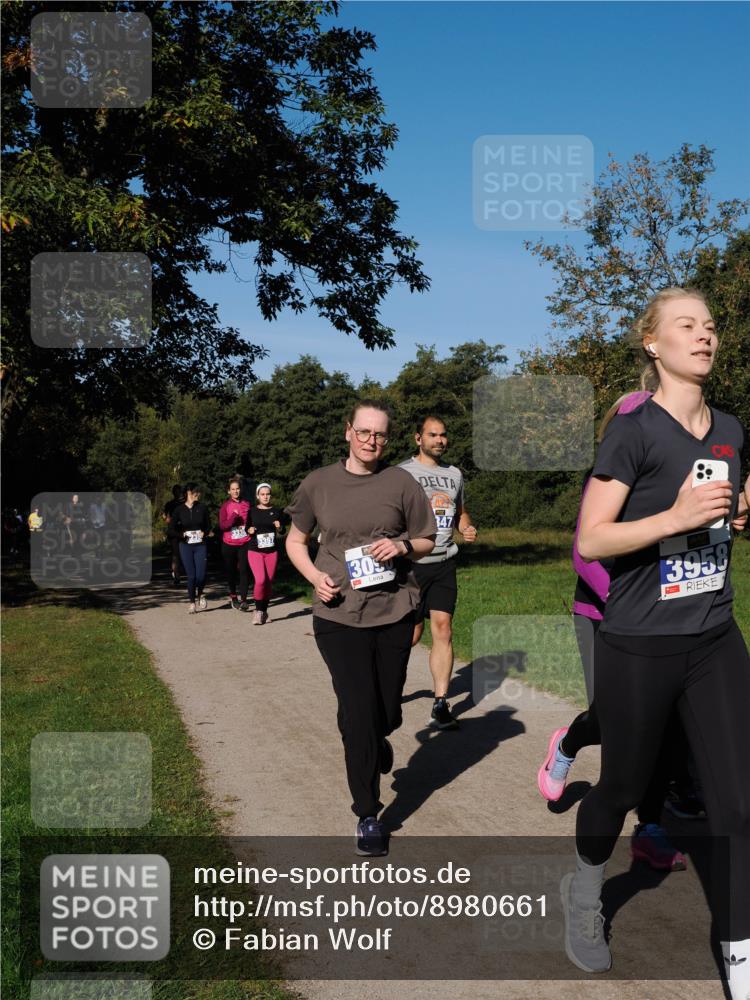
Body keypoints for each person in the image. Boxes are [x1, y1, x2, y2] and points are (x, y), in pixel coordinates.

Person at [559, 288, 750, 1000]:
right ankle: (584, 888)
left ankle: (740, 957)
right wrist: (674, 516)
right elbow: (592, 539)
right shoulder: (633, 431)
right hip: (640, 642)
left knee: (737, 806)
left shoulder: (730, 427)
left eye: (710, 325)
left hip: (714, 635)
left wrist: (737, 512)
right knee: (622, 788)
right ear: (653, 343)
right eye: (686, 325)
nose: (704, 335)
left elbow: (724, 512)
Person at [538, 390, 691, 873]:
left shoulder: (669, 480)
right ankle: (568, 743)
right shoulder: (604, 478)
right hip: (601, 615)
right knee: (612, 720)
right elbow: (583, 556)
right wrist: (630, 603)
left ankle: (650, 828)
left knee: (662, 720)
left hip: (660, 621)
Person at [285, 400, 436, 856]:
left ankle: (376, 733)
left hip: (393, 611)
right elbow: (296, 541)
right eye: (365, 432)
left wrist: (403, 546)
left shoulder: (402, 483)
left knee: (385, 711)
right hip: (338, 615)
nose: (372, 441)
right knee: (357, 710)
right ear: (348, 431)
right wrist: (314, 577)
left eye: (380, 434)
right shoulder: (318, 483)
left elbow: (427, 540)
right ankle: (368, 813)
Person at [400, 416, 477, 729]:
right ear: (418, 438)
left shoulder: (454, 474)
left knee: (443, 628)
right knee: (411, 634)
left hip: (444, 562)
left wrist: (466, 527)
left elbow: (460, 512)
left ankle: (440, 704)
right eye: (432, 435)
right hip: (410, 566)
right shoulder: (402, 473)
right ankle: (385, 682)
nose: (440, 440)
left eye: (443, 435)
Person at [246, 482, 288, 625]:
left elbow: (282, 531)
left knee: (268, 582)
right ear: (258, 496)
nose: (265, 497)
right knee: (260, 580)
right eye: (262, 494)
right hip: (255, 550)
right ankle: (258, 612)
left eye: (268, 494)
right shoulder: (252, 511)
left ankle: (264, 611)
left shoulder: (276, 511)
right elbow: (247, 527)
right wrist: (249, 530)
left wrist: (279, 527)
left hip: (271, 551)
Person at [168, 483, 211, 614]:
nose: (198, 494)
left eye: (199, 492)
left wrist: (205, 532)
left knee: (201, 575)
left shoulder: (202, 508)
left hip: (200, 545)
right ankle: (192, 602)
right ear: (188, 493)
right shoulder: (179, 510)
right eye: (196, 492)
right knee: (191, 576)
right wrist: (181, 535)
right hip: (185, 546)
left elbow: (208, 526)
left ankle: (200, 593)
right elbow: (171, 529)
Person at [218, 477, 251, 611]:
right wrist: (233, 518)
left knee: (244, 570)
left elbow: (251, 521)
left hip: (245, 542)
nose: (235, 491)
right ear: (229, 491)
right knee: (231, 571)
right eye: (233, 489)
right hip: (229, 544)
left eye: (237, 489)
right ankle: (233, 596)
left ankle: (244, 600)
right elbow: (222, 526)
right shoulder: (225, 506)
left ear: (240, 490)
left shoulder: (247, 504)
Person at [163, 484, 185, 586]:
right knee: (175, 554)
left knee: (185, 553)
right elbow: (164, 515)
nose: (177, 493)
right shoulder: (170, 504)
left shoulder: (185, 503)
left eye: (179, 491)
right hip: (174, 532)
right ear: (173, 493)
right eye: (176, 491)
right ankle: (176, 575)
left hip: (184, 530)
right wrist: (167, 519)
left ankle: (186, 572)